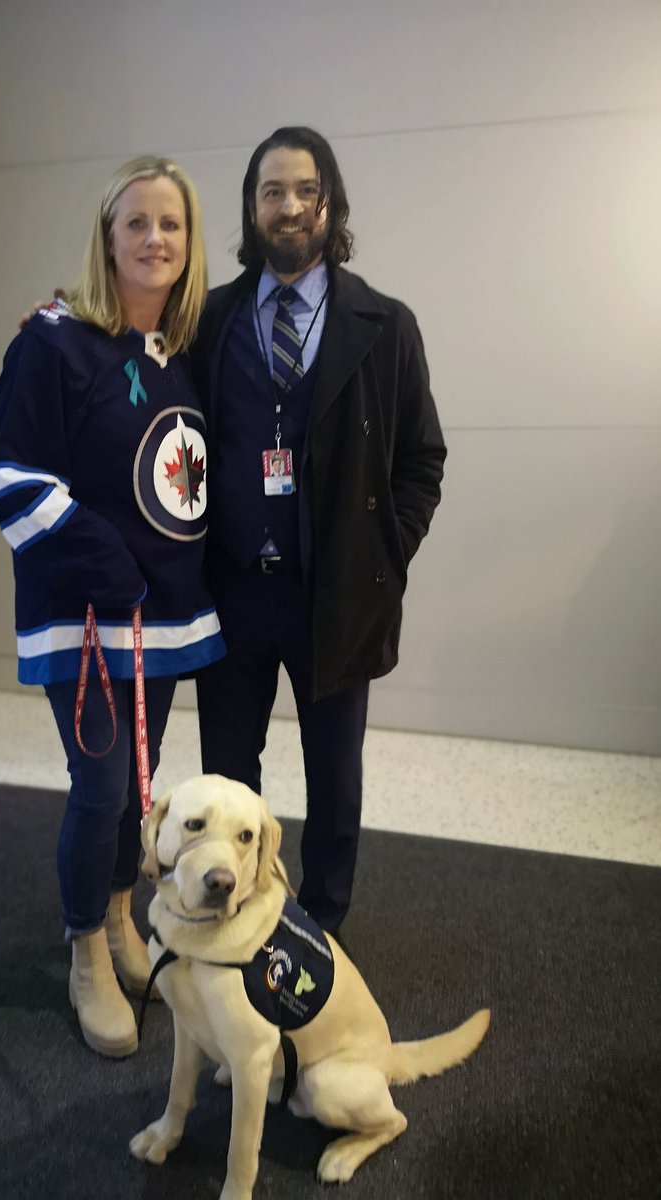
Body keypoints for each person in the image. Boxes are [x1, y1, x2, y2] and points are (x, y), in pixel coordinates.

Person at [0, 156, 224, 1058]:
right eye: (137, 223)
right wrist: (103, 560)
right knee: (103, 786)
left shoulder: (183, 348)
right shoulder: (50, 343)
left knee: (140, 792)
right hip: (83, 617)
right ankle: (87, 947)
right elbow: (10, 475)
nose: (155, 239)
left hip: (159, 621)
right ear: (108, 236)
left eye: (172, 224)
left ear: (189, 241)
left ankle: (124, 917)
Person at [191, 127, 446, 935]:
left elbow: (422, 460)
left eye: (306, 190)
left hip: (333, 593)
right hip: (231, 588)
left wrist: (383, 553)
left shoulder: (386, 325)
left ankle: (321, 926)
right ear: (252, 207)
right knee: (228, 775)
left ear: (329, 204)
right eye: (273, 191)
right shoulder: (209, 319)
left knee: (334, 775)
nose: (290, 205)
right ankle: (233, 909)